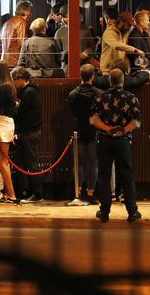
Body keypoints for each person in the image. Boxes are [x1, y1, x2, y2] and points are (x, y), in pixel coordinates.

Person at [91, 68, 142, 223]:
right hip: (123, 141)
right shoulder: (131, 98)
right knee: (127, 175)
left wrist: (109, 129)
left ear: (109, 81)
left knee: (104, 176)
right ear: (123, 80)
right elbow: (137, 122)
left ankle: (104, 212)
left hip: (105, 141)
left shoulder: (100, 97)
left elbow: (93, 120)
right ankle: (132, 212)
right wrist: (122, 131)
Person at [67, 63, 102, 204]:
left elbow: (73, 111)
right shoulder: (99, 94)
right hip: (94, 130)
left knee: (78, 164)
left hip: (78, 130)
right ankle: (91, 193)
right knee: (93, 164)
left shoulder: (72, 94)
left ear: (80, 76)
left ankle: (78, 192)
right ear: (93, 76)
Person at [11, 66, 44, 202]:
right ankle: (31, 191)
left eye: (15, 80)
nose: (14, 83)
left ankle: (38, 193)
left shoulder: (29, 92)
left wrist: (17, 107)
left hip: (29, 132)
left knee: (32, 163)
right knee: (30, 162)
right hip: (32, 131)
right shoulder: (31, 90)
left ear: (20, 79)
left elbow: (21, 113)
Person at [0, 60, 19, 203]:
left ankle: (12, 195)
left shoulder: (3, 87)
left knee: (2, 162)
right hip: (8, 122)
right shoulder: (11, 86)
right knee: (4, 161)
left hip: (3, 123)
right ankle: (9, 193)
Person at [99, 8, 144, 75]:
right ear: (121, 22)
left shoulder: (124, 34)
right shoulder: (109, 32)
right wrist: (135, 50)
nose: (129, 27)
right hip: (107, 72)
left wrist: (127, 68)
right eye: (128, 25)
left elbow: (123, 52)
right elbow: (116, 45)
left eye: (131, 26)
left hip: (120, 71)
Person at [53, 5, 97, 73]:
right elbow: (56, 53)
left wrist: (87, 52)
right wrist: (72, 54)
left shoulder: (86, 29)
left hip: (85, 68)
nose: (63, 20)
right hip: (68, 69)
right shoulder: (59, 32)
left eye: (65, 17)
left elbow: (91, 46)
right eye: (62, 17)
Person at [0, 0, 33, 67]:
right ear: (26, 11)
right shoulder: (22, 23)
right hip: (16, 63)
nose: (31, 14)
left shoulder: (6, 23)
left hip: (4, 63)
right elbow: (22, 44)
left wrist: (1, 60)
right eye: (30, 11)